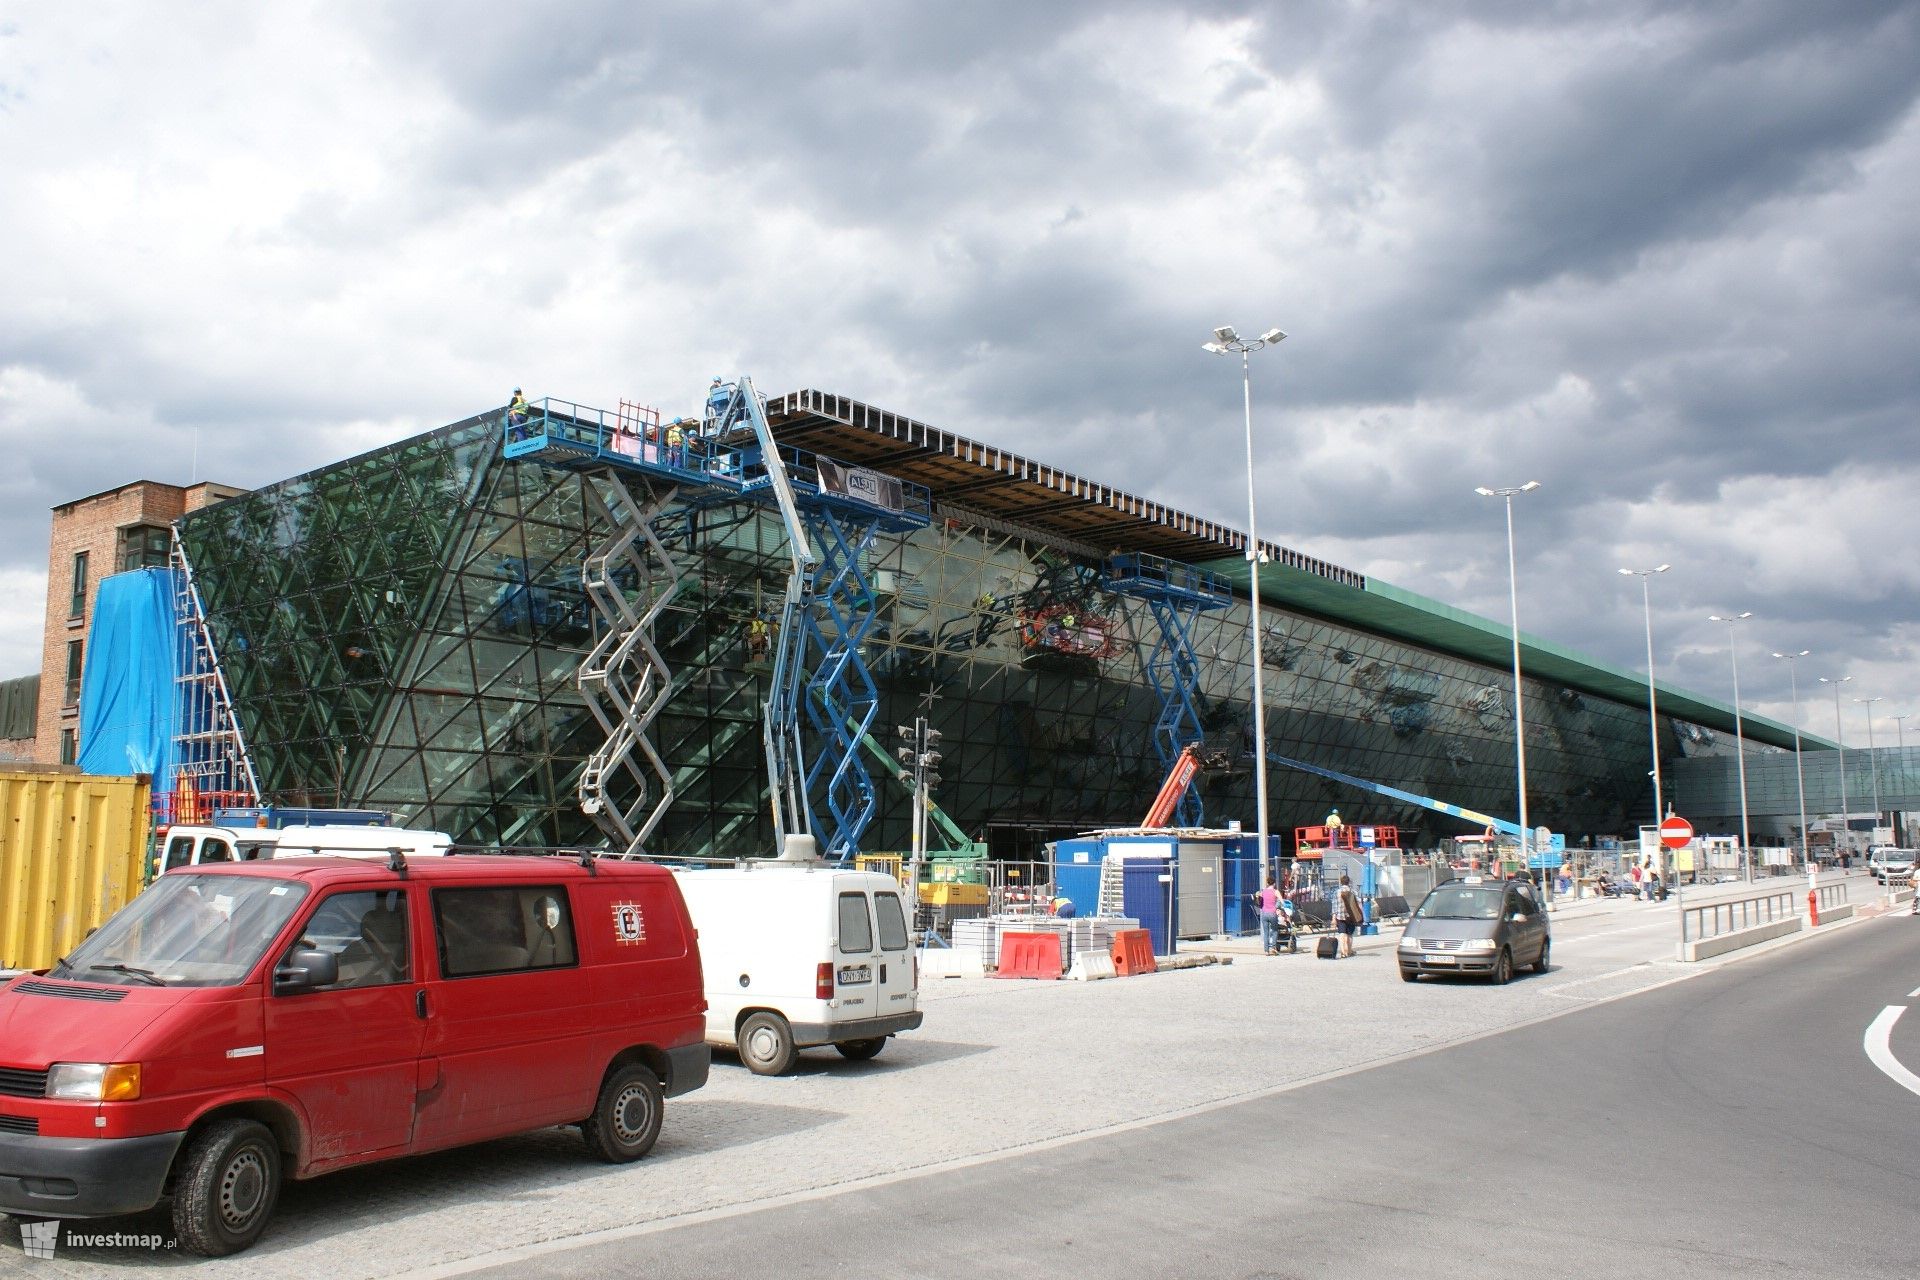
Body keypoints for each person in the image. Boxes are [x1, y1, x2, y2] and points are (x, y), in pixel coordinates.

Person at [1334, 873, 1363, 958]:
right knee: (1350, 934)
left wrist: (1333, 917)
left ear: (1341, 882)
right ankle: (1349, 951)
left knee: (1342, 933)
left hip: (1340, 915)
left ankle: (1343, 952)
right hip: (1351, 916)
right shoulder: (1353, 891)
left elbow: (1334, 905)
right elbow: (1359, 903)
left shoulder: (1337, 892)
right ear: (1348, 882)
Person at [1256, 875, 1282, 956]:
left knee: (1266, 932)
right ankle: (1273, 948)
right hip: (1272, 913)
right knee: (1274, 931)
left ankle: (1266, 951)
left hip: (1264, 914)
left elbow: (1258, 898)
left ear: (1267, 883)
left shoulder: (1263, 891)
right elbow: (1281, 901)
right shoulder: (1276, 891)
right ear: (1274, 884)